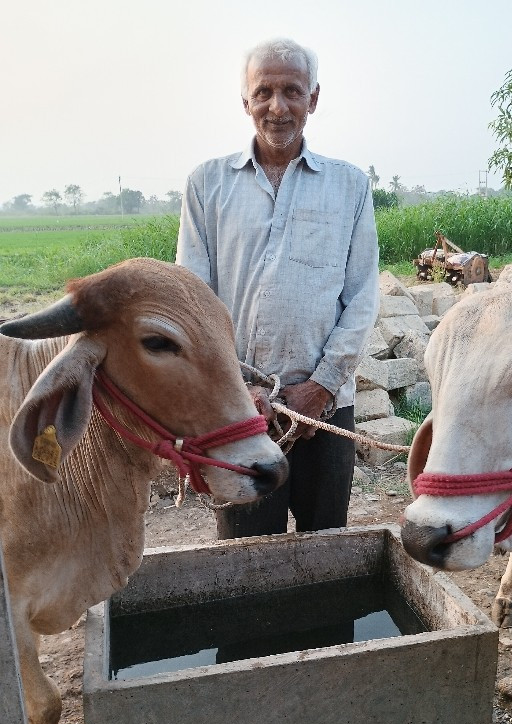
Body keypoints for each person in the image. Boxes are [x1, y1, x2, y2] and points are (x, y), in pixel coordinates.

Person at [176, 37, 379, 539]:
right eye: (263, 92)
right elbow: (193, 302)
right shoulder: (207, 184)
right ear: (245, 101)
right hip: (238, 411)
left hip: (327, 409)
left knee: (326, 550)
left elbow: (361, 298)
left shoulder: (350, 186)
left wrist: (321, 388)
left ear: (313, 98)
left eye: (292, 91)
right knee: (244, 554)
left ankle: (326, 624)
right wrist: (237, 388)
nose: (278, 106)